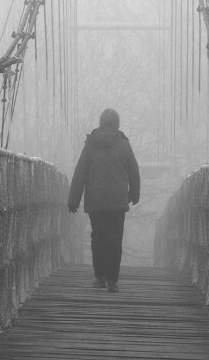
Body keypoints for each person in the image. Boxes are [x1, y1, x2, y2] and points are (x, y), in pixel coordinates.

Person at [67, 108, 140, 293]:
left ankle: (99, 277)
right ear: (117, 123)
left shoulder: (91, 144)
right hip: (117, 201)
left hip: (96, 201)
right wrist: (134, 194)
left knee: (98, 237)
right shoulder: (123, 144)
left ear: (101, 122)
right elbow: (133, 170)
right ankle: (112, 281)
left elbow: (80, 172)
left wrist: (73, 200)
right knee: (115, 239)